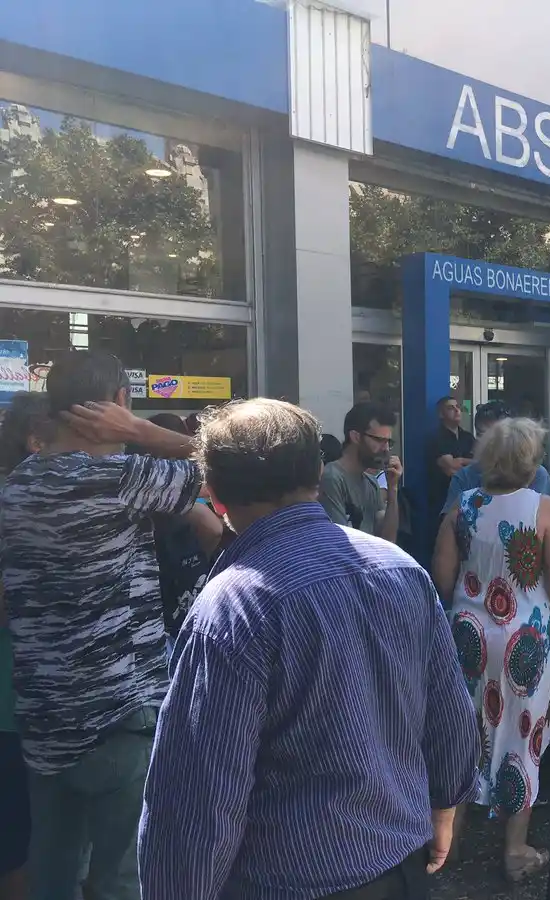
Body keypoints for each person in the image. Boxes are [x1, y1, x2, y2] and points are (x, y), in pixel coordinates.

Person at [139, 399, 480, 900]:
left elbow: (198, 797)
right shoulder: (400, 569)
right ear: (317, 474)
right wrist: (445, 803)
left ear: (211, 491)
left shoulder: (233, 605)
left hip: (286, 880)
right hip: (399, 865)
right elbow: (449, 711)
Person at [0, 352, 199, 900]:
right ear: (118, 404)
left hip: (43, 716)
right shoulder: (124, 477)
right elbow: (233, 463)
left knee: (54, 875)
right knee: (119, 881)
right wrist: (142, 433)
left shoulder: (15, 487)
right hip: (119, 713)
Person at [431, 417, 550, 884]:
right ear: (531, 460)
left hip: (469, 636)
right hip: (525, 639)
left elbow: (441, 577)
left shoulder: (462, 506)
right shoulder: (543, 508)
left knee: (466, 734)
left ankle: (448, 842)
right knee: (522, 737)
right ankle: (515, 850)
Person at [0, 393, 50, 900]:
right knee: (20, 845)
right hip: (14, 708)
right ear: (37, 441)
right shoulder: (13, 502)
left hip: (38, 705)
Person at [126, 414, 227, 662]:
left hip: (158, 633)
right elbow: (213, 528)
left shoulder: (137, 493)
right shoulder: (186, 503)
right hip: (184, 626)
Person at [440, 401, 550, 517]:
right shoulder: (465, 476)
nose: (487, 442)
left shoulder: (537, 473)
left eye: (496, 436)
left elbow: (547, 523)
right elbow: (449, 525)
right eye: (481, 434)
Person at [318, 402, 405, 542]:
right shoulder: (332, 477)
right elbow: (339, 543)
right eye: (379, 440)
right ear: (356, 437)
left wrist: (393, 490)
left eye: (388, 442)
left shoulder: (371, 483)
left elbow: (388, 542)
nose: (386, 449)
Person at [427, 396, 475, 532]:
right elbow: (450, 467)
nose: (457, 410)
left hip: (469, 498)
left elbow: (481, 463)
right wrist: (467, 463)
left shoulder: (468, 437)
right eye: (450, 408)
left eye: (458, 407)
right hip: (443, 498)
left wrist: (460, 461)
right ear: (441, 414)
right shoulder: (437, 437)